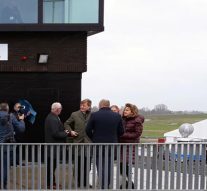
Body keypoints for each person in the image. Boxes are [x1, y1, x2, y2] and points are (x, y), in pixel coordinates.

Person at [86, 99, 124, 189]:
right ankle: (107, 185)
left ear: (100, 105)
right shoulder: (117, 116)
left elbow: (87, 130)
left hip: (98, 144)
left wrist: (93, 138)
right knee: (109, 165)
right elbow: (121, 131)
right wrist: (114, 137)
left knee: (100, 165)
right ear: (108, 105)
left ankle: (102, 185)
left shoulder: (94, 115)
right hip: (112, 145)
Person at [44, 102, 76, 189]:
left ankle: (51, 183)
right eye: (60, 109)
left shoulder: (52, 117)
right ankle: (50, 184)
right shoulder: (52, 119)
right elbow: (55, 133)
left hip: (53, 148)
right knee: (51, 167)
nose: (61, 110)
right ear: (57, 109)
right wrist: (65, 133)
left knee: (52, 167)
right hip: (53, 148)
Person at [64, 99, 91, 188]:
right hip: (78, 143)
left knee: (87, 165)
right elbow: (66, 124)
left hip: (88, 144)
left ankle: (85, 182)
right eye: (81, 105)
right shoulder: (74, 114)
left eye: (84, 105)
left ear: (89, 106)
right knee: (78, 164)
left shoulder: (92, 115)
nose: (82, 107)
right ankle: (79, 182)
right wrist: (71, 131)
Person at [119, 103, 144, 189]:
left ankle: (130, 184)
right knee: (122, 165)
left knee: (125, 165)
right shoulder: (123, 119)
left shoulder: (137, 120)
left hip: (130, 146)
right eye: (124, 110)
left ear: (132, 111)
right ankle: (126, 183)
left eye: (127, 110)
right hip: (122, 145)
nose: (124, 111)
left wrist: (122, 135)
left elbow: (137, 134)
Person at [0, 102, 25, 189]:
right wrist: (21, 119)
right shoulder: (11, 116)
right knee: (5, 167)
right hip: (7, 147)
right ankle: (3, 187)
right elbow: (21, 129)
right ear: (7, 109)